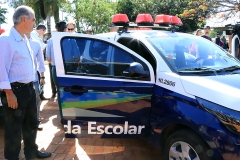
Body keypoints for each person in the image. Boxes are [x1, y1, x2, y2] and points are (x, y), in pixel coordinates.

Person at [0, 5, 51, 159]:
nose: (34, 23)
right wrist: (9, 93)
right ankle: (12, 157)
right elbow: (1, 69)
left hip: (29, 89)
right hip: (15, 92)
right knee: (14, 129)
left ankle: (31, 152)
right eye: (33, 19)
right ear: (23, 19)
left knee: (31, 124)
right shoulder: (6, 40)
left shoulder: (25, 38)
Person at [46, 21, 67, 118]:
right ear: (65, 28)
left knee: (60, 92)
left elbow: (48, 59)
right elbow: (77, 58)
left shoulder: (50, 41)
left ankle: (63, 116)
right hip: (68, 69)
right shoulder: (70, 40)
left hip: (56, 69)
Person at [26, 32, 46, 131]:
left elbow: (41, 63)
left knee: (36, 101)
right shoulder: (12, 42)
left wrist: (42, 77)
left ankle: (37, 121)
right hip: (17, 82)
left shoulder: (36, 44)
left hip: (34, 79)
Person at [31, 24, 49, 101]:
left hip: (37, 65)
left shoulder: (36, 36)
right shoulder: (34, 35)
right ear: (41, 30)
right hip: (35, 66)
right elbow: (41, 46)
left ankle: (41, 95)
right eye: (44, 32)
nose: (44, 34)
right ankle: (39, 96)